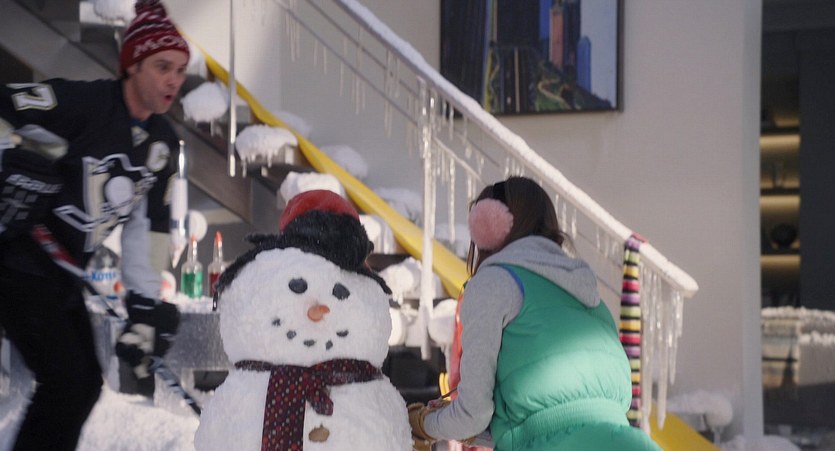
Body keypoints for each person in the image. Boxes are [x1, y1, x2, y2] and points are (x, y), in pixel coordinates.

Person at [0, 1, 187, 449]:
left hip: (60, 274)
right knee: (68, 382)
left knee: (80, 385)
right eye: (162, 67)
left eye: (180, 70)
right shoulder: (81, 103)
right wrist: (8, 161)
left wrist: (143, 310)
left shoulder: (161, 145)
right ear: (132, 66)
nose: (173, 81)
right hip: (16, 257)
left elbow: (147, 230)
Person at [408, 176, 661, 450]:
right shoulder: (590, 299)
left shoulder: (495, 283)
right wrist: (458, 425)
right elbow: (550, 425)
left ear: (487, 228)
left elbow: (472, 416)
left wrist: (422, 424)